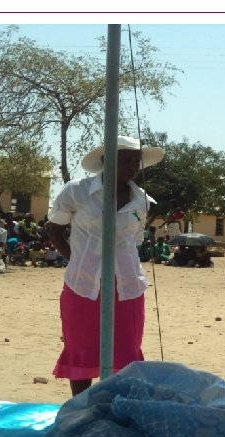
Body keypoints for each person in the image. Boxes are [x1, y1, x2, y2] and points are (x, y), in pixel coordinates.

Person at [47, 135, 164, 396]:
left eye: (136, 161)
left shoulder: (141, 200)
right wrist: (76, 259)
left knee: (126, 350)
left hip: (128, 285)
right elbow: (54, 229)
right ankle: (82, 407)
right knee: (81, 347)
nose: (132, 165)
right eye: (125, 160)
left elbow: (134, 240)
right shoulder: (76, 191)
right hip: (83, 284)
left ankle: (113, 406)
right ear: (105, 162)